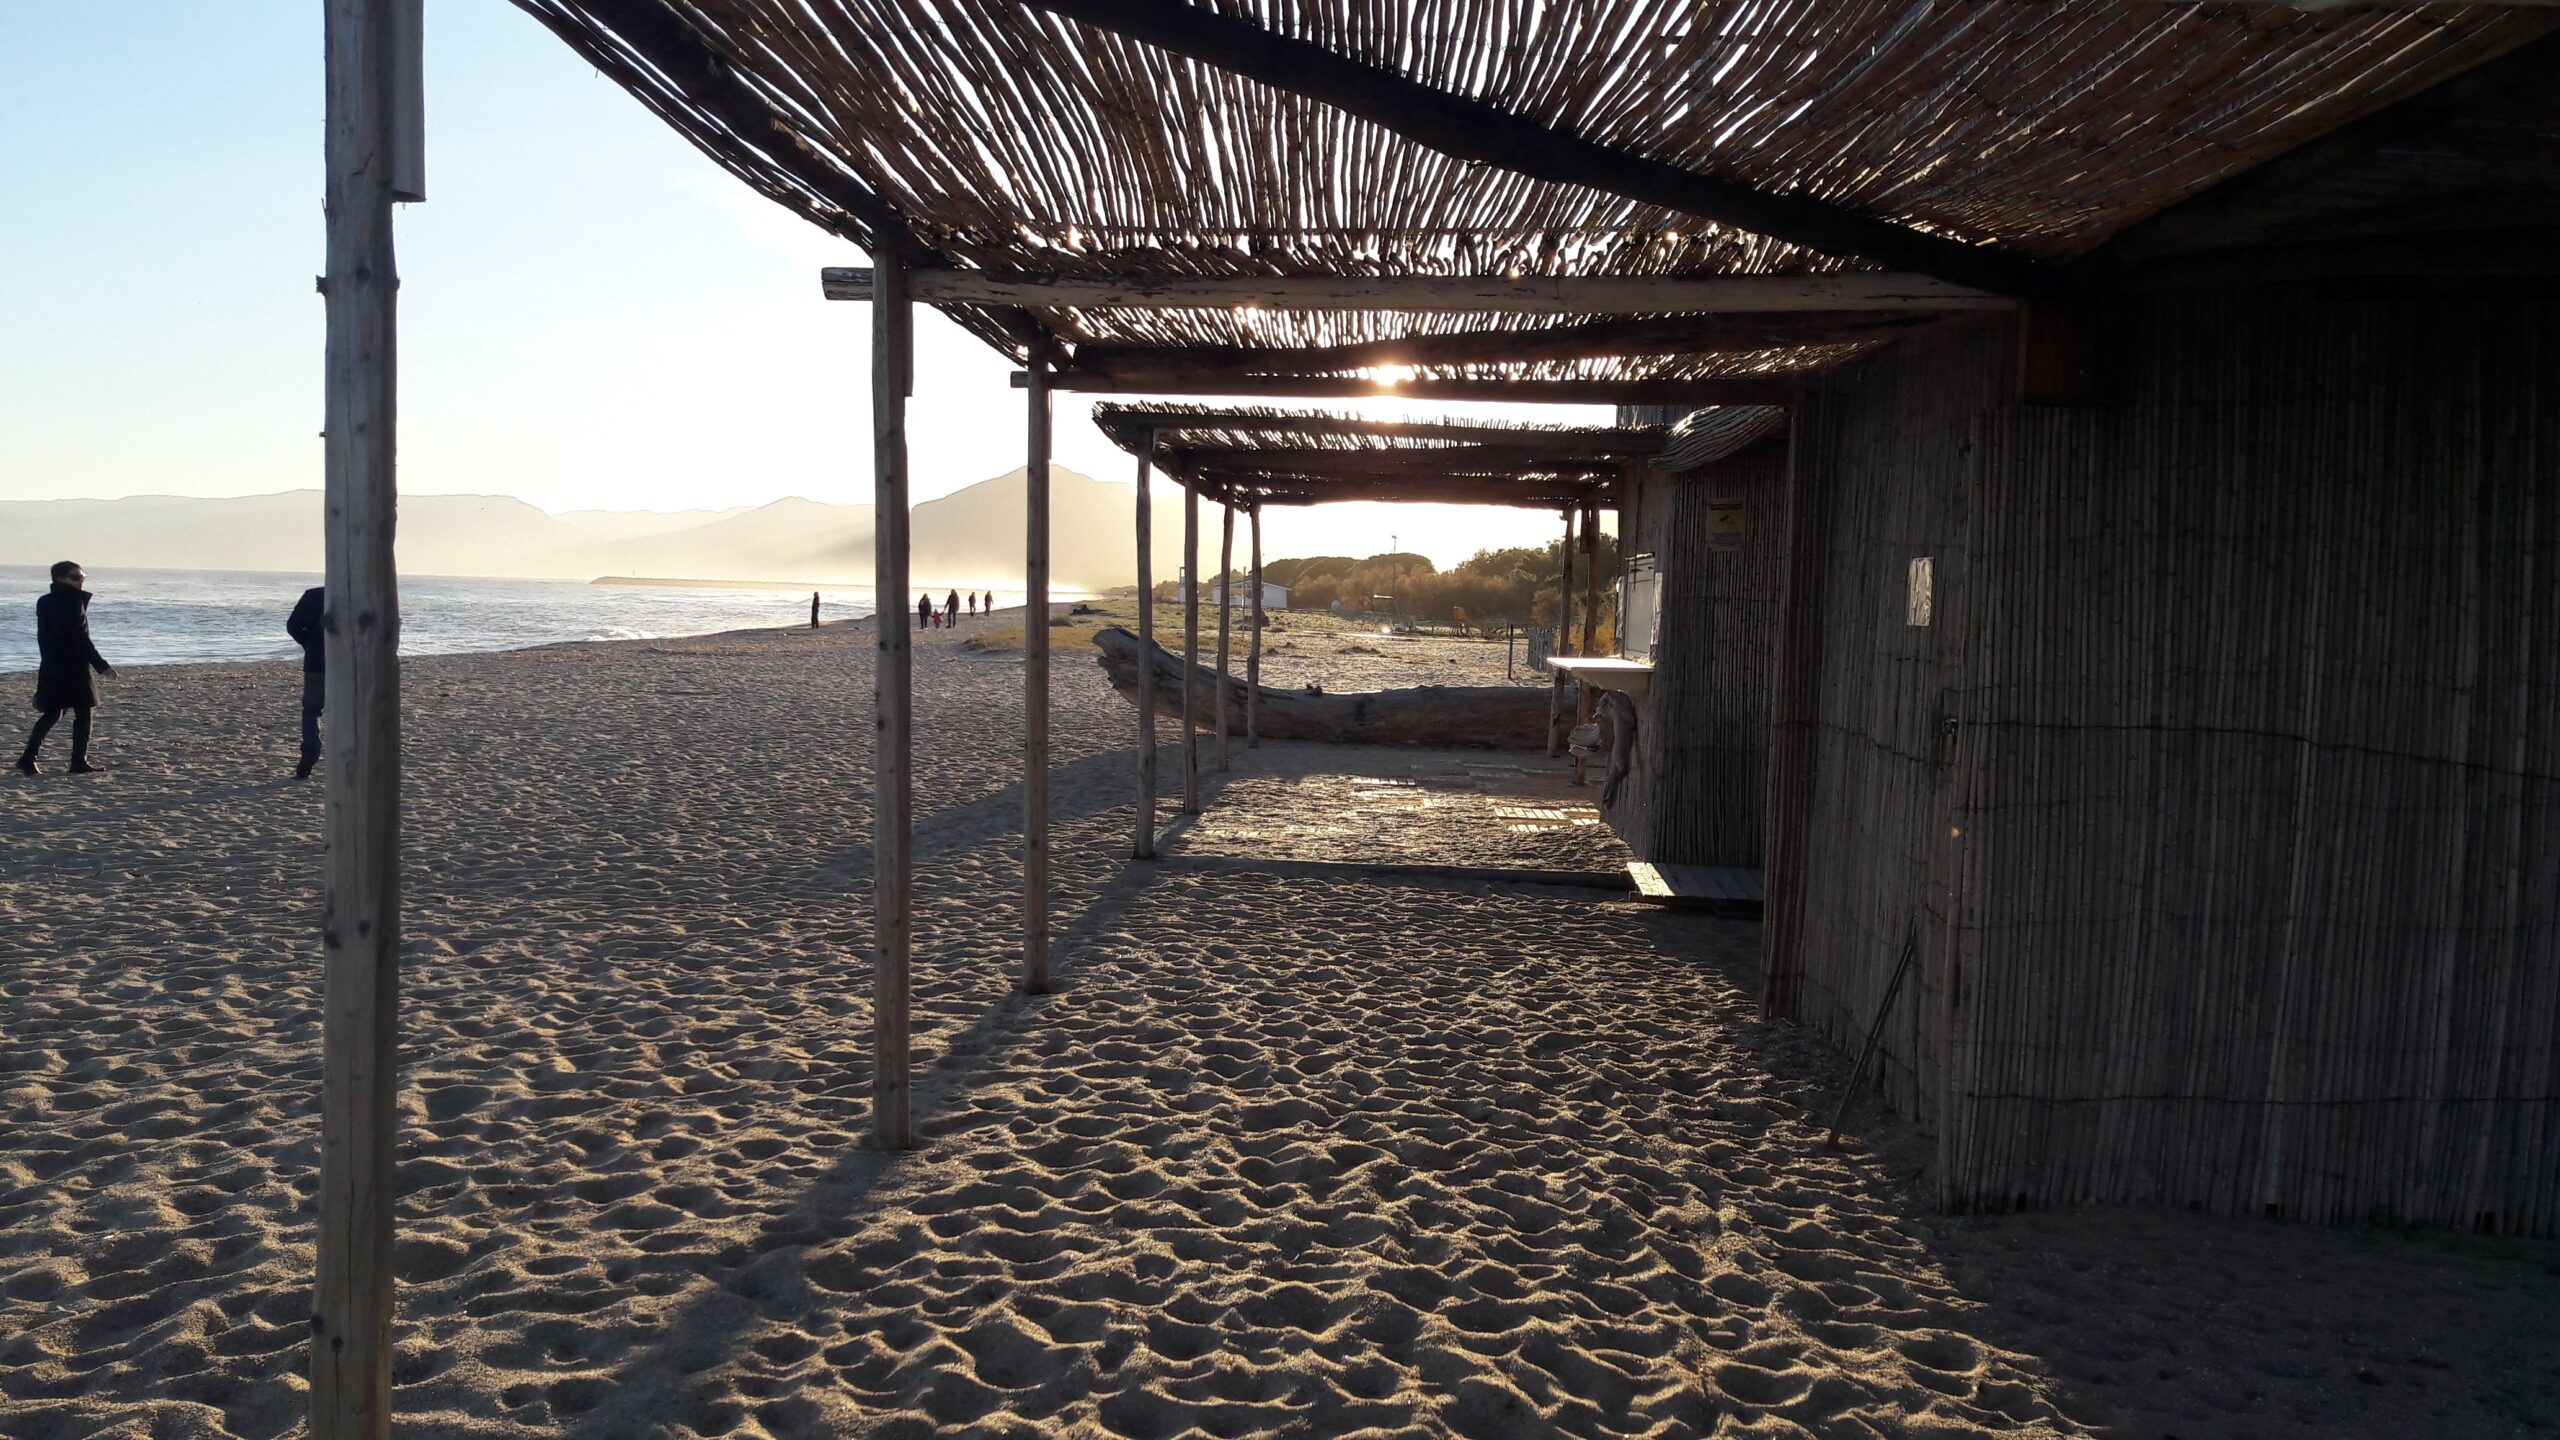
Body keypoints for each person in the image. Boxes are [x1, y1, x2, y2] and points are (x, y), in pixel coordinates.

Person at [16, 561, 116, 776]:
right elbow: (80, 638)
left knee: (53, 713)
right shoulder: (72, 602)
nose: (81, 581)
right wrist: (102, 666)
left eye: (82, 577)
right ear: (61, 578)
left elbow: (48, 637)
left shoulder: (44, 601)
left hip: (52, 664)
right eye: (76, 577)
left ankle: (27, 758)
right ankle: (77, 762)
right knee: (83, 712)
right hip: (73, 665)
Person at [286, 585, 326, 780]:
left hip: (316, 662)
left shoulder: (313, 595)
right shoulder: (355, 595)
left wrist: (308, 644)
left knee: (311, 710)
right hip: (348, 663)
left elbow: (292, 626)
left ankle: (310, 750)